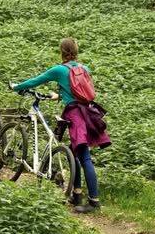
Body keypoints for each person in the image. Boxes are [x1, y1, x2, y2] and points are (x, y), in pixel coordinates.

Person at [12, 37, 110, 212]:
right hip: (88, 112)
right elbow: (79, 91)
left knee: (84, 156)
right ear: (76, 51)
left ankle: (94, 201)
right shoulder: (84, 68)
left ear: (62, 52)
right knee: (74, 152)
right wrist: (59, 95)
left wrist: (16, 87)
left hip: (75, 114)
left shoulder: (59, 70)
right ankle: (77, 194)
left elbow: (35, 81)